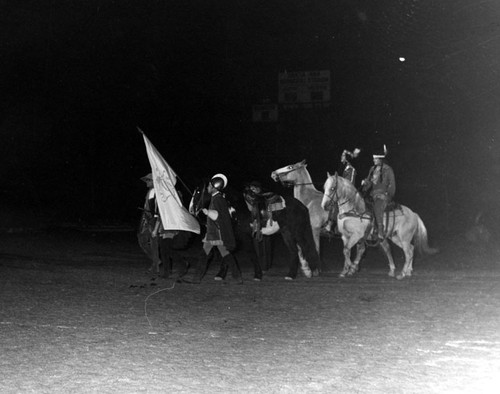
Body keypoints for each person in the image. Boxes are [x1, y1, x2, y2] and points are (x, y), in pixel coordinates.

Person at [185, 173, 243, 284]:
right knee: (207, 254)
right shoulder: (216, 198)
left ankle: (237, 278)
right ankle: (196, 279)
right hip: (213, 232)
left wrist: (208, 212)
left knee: (223, 255)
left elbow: (219, 216)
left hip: (216, 233)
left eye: (209, 186)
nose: (207, 188)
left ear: (214, 186)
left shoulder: (218, 199)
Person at [361, 145, 396, 239]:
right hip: (372, 194)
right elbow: (369, 183)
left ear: (380, 159)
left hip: (383, 195)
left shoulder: (388, 170)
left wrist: (386, 195)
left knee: (377, 206)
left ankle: (380, 230)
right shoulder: (372, 169)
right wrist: (365, 183)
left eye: (375, 159)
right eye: (373, 159)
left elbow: (392, 185)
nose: (373, 160)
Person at [324, 148, 360, 234]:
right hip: (342, 192)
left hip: (348, 193)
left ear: (346, 159)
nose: (341, 158)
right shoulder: (343, 169)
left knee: (336, 202)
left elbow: (349, 183)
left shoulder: (351, 170)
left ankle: (330, 224)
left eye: (343, 156)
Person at [243, 180, 273, 280]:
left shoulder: (264, 198)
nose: (253, 190)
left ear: (258, 188)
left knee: (265, 245)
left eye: (254, 188)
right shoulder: (250, 198)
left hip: (265, 223)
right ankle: (259, 266)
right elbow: (250, 209)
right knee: (257, 245)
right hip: (255, 223)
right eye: (251, 189)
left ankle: (265, 266)